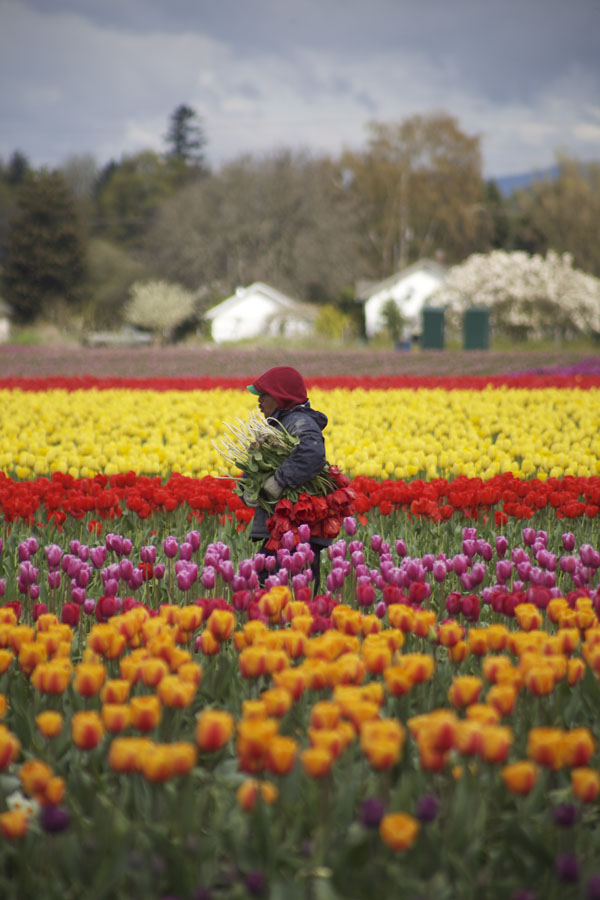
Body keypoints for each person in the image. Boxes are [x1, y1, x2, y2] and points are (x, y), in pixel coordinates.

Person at [243, 366, 331, 594]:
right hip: (282, 528)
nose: (259, 402)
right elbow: (259, 466)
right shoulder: (278, 425)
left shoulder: (299, 423)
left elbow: (312, 454)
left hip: (296, 527)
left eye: (263, 396)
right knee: (268, 583)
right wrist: (249, 488)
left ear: (280, 396)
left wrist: (278, 481)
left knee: (286, 589)